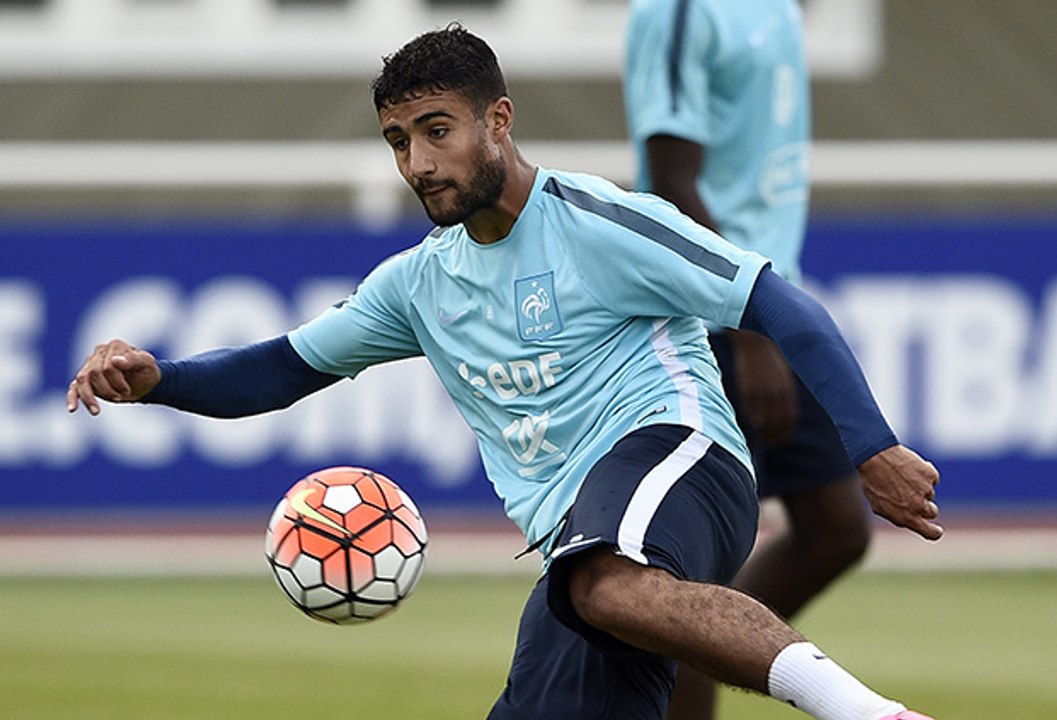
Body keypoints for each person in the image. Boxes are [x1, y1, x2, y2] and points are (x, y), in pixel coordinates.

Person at [68, 24, 940, 720]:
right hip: (576, 542)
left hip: (678, 454)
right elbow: (277, 371)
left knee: (604, 580)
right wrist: (161, 381)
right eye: (398, 141)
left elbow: (779, 306)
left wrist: (873, 449)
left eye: (436, 131)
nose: (417, 163)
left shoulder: (599, 221)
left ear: (499, 120)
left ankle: (862, 711)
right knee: (582, 611)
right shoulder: (416, 284)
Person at [623, 3, 874, 717]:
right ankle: (686, 642)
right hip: (712, 325)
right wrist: (749, 331)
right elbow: (668, 180)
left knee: (835, 528)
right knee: (696, 575)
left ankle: (700, 639)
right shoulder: (677, 12)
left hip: (772, 301)